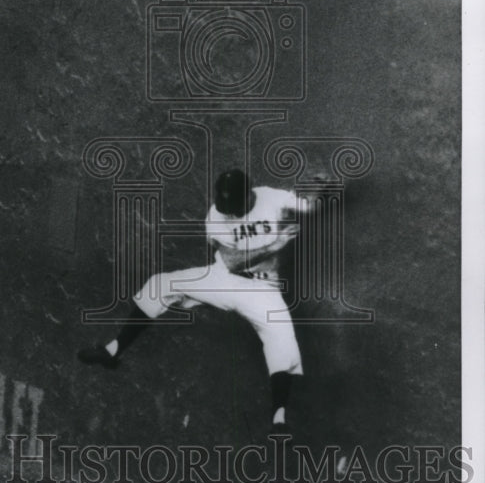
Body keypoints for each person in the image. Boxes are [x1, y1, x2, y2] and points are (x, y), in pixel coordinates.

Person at [78, 169, 323, 433]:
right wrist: (273, 245)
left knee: (282, 337)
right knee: (161, 284)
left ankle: (279, 419)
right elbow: (231, 262)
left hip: (263, 287)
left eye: (235, 207)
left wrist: (322, 187)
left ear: (248, 195)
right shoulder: (216, 215)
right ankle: (112, 351)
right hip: (222, 279)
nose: (229, 213)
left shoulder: (269, 198)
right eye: (225, 206)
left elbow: (307, 204)